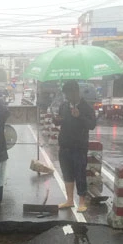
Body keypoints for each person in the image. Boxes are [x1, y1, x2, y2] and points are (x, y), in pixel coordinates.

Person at [54, 80, 96, 213]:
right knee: (67, 173)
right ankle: (69, 200)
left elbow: (92, 125)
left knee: (80, 173)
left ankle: (82, 201)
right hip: (65, 145)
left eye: (68, 93)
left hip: (79, 146)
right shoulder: (64, 106)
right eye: (65, 94)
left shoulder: (86, 107)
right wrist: (56, 120)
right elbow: (61, 122)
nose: (66, 97)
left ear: (76, 92)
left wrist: (80, 116)